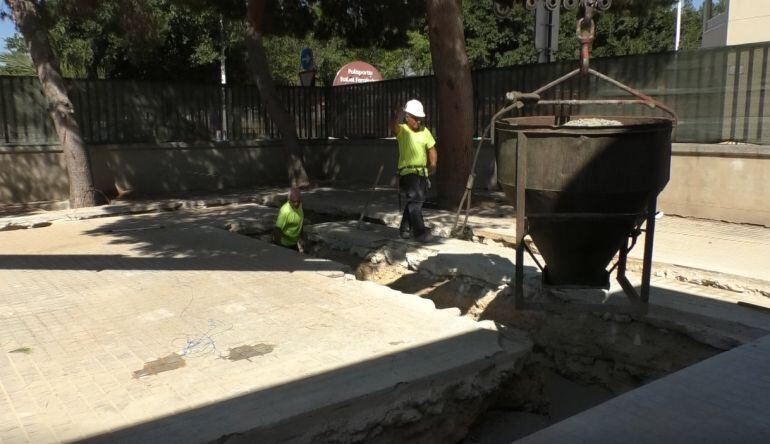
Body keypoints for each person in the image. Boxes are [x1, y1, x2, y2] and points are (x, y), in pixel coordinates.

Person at [390, 99, 438, 243]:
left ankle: (404, 229)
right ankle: (420, 233)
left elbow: (432, 149)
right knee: (416, 199)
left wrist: (433, 164)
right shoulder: (403, 130)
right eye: (415, 118)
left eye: (420, 118)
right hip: (407, 172)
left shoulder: (425, 131)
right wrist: (397, 115)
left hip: (422, 173)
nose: (418, 121)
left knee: (415, 201)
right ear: (407, 117)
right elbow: (393, 127)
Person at [273, 187, 305, 253]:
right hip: (285, 244)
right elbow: (277, 230)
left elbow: (300, 221)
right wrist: (278, 248)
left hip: (294, 242)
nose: (296, 204)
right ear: (289, 200)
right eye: (294, 202)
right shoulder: (285, 211)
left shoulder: (300, 205)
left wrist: (301, 238)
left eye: (298, 201)